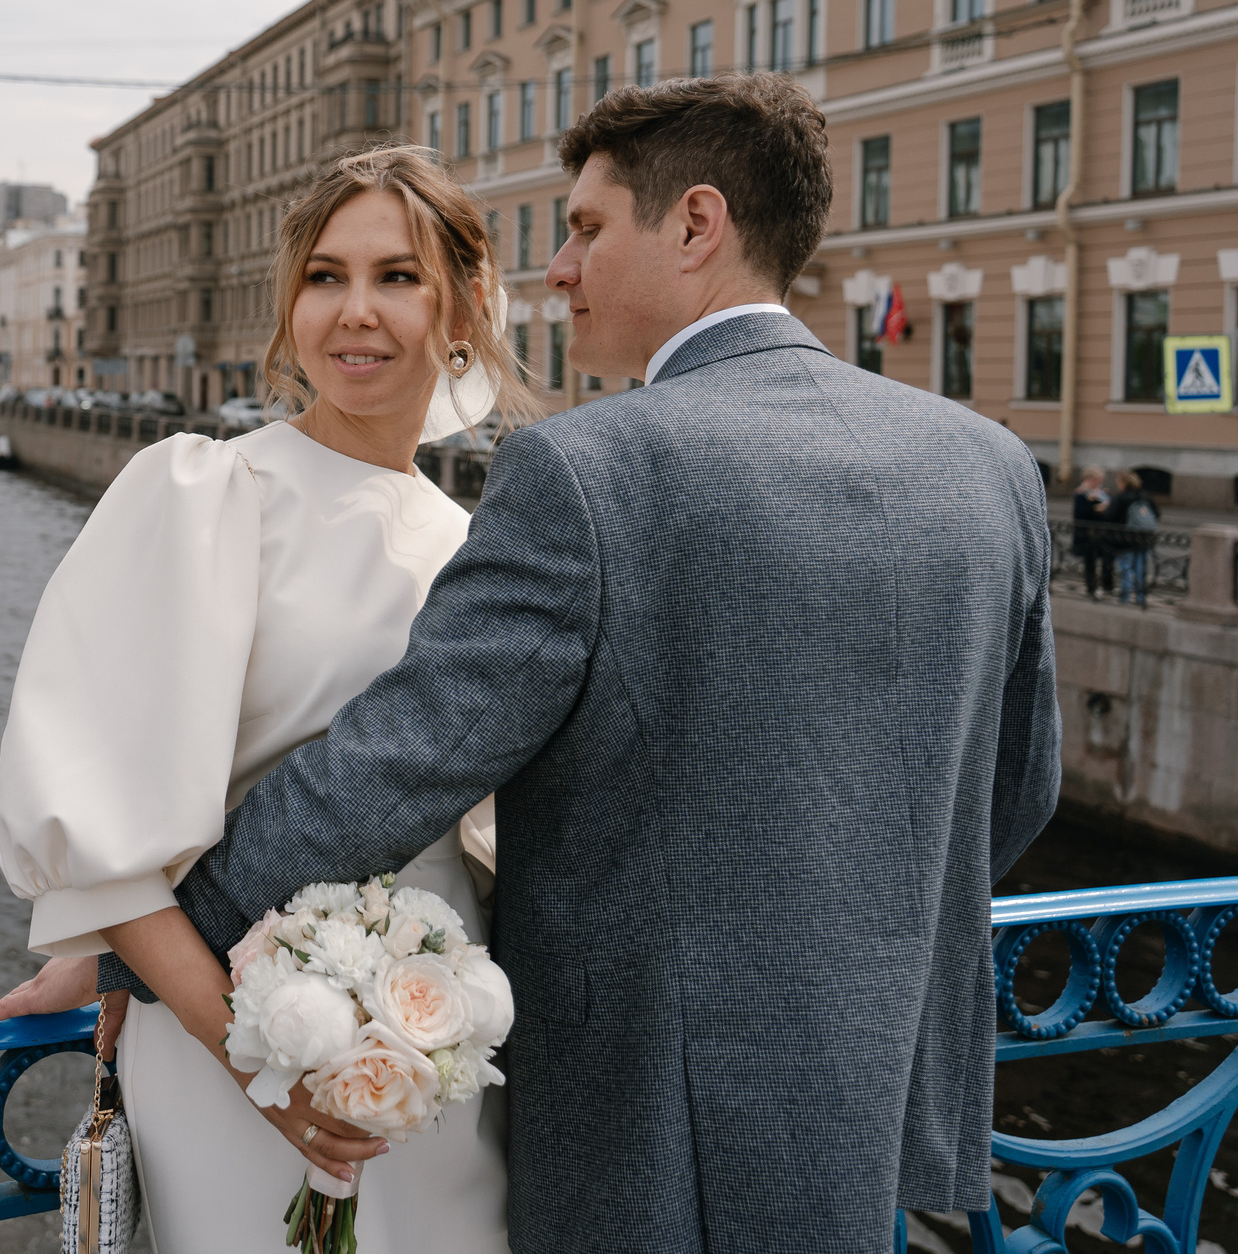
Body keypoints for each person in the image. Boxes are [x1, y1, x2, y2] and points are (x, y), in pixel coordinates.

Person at [163, 75, 1059, 1252]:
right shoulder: (987, 466)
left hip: (647, 1120)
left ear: (695, 226)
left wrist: (156, 941)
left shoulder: (585, 474)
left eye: (585, 229)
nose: (558, 270)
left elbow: (392, 768)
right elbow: (1020, 788)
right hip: (874, 1076)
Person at [0, 145, 521, 1252]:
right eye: (324, 277)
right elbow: (106, 832)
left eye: (397, 278)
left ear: (464, 307)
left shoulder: (484, 543)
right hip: (226, 1043)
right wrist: (257, 1068)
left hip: (442, 1047)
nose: (353, 312)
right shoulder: (208, 493)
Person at [1110, 469, 1156, 606]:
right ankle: (1140, 597)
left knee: (1126, 569)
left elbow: (1111, 516)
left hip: (1125, 539)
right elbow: (1156, 514)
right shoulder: (1145, 496)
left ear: (1123, 483)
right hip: (1144, 539)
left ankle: (1125, 598)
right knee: (1140, 568)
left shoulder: (1121, 497)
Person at [1071, 466, 1110, 598]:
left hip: (1100, 533)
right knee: (1090, 561)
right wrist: (1097, 508)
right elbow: (1080, 513)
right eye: (1097, 479)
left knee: (1105, 560)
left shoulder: (1100, 492)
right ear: (1090, 479)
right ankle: (1091, 588)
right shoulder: (1081, 493)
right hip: (1087, 533)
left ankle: (1106, 586)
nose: (1099, 482)